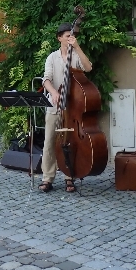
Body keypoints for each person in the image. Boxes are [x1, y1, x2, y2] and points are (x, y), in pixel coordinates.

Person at [39, 22, 93, 193]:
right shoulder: (52, 57)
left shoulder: (75, 55)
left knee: (71, 141)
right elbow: (46, 79)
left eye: (72, 35)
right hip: (55, 106)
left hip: (72, 108)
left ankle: (69, 177)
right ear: (59, 38)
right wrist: (54, 92)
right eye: (67, 36)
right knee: (49, 142)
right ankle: (48, 178)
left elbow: (88, 67)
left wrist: (77, 47)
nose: (70, 38)